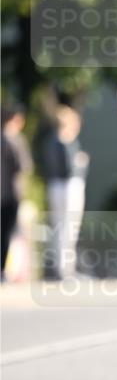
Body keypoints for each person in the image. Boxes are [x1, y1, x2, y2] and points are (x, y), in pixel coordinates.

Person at [38, 104, 88, 280]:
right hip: (68, 187)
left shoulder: (50, 141)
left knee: (60, 228)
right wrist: (80, 162)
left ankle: (63, 269)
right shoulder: (65, 141)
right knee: (68, 228)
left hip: (55, 186)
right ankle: (66, 271)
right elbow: (68, 168)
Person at [1, 104, 32, 280]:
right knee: (7, 232)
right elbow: (24, 167)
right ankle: (4, 269)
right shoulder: (14, 140)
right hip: (10, 193)